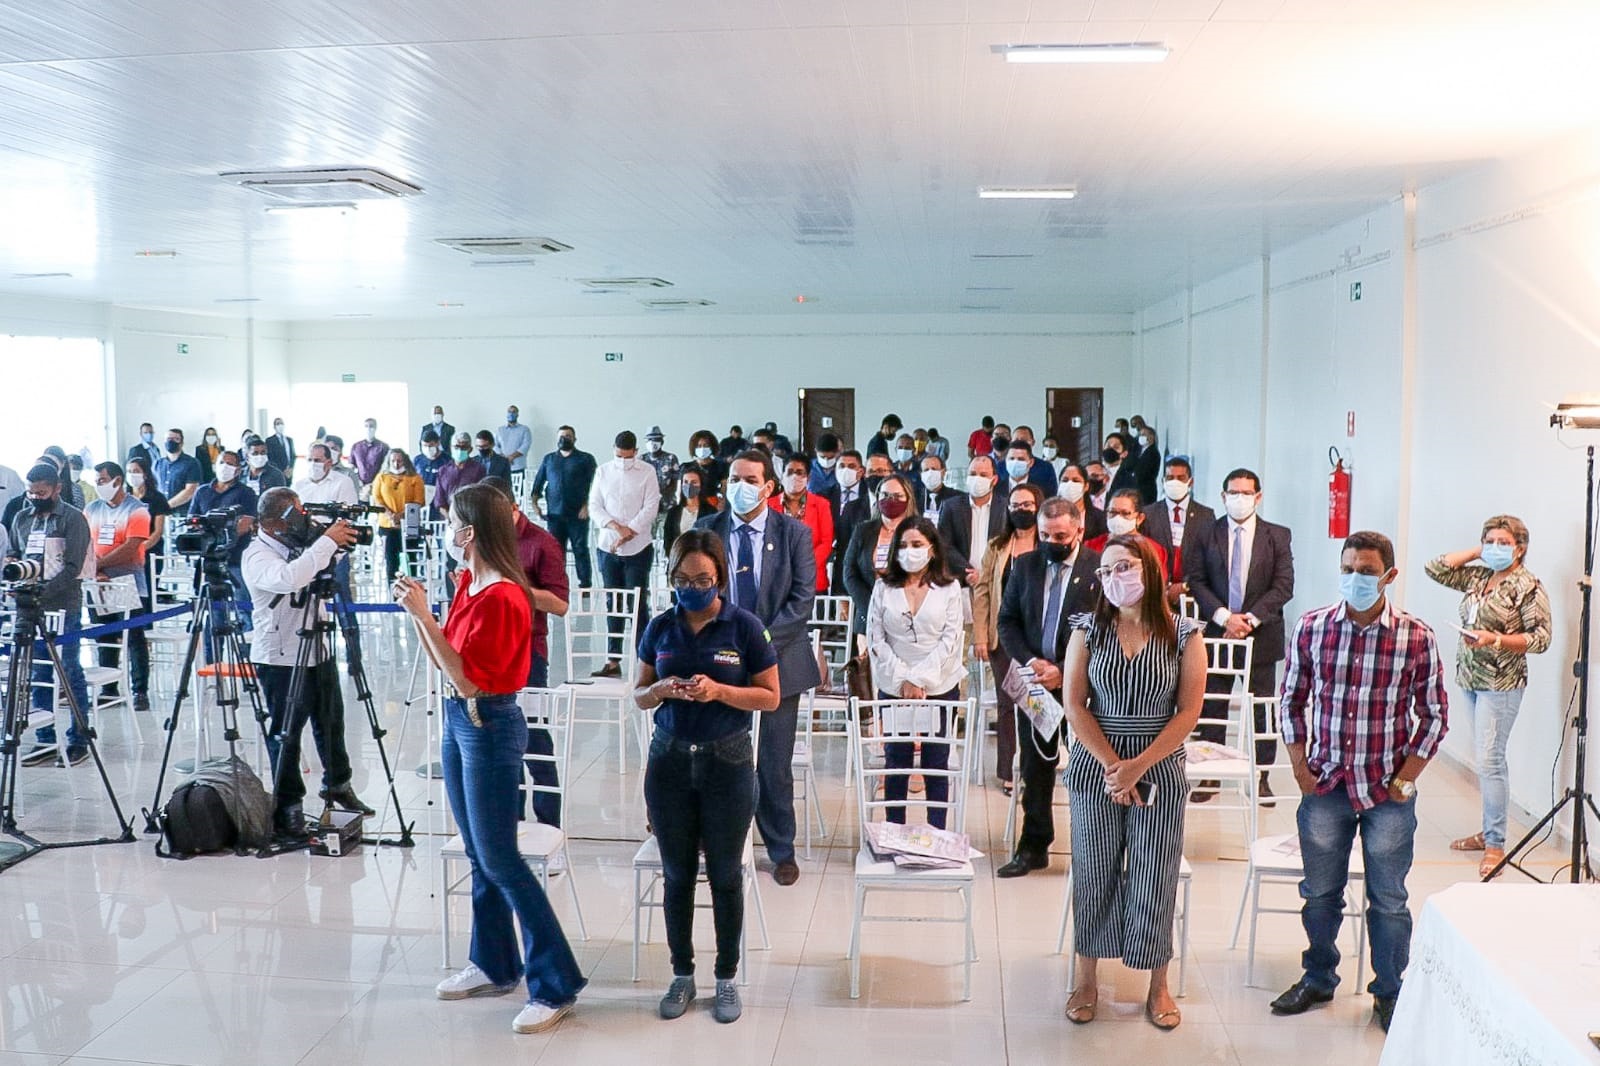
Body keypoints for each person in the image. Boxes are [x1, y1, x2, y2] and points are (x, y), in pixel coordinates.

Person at [394, 483, 586, 1034]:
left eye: (453, 521)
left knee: (502, 858)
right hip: (459, 723)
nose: (448, 530)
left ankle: (555, 982)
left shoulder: (504, 596)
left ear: (471, 531)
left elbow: (469, 679)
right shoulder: (469, 582)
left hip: (488, 723)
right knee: (480, 852)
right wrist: (421, 618)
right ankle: (494, 962)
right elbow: (443, 663)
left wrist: (423, 617)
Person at [1270, 531, 1448, 1034]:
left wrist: (1406, 779)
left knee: (1389, 900)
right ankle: (1318, 976)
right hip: (1324, 785)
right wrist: (1299, 766)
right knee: (1320, 893)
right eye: (1348, 568)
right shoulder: (1312, 627)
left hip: (1386, 791)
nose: (1356, 579)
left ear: (1389, 576)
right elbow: (1291, 699)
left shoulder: (1416, 636)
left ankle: (1390, 992)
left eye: (1367, 571)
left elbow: (1434, 715)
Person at [633, 531, 781, 1023]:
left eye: (702, 580)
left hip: (728, 762)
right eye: (682, 579)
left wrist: (719, 692)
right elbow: (637, 693)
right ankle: (681, 974)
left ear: (719, 578)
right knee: (676, 875)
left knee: (723, 875)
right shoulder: (659, 626)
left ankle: (725, 976)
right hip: (670, 760)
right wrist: (660, 689)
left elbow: (770, 696)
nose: (692, 588)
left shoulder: (744, 627)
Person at [1060, 535, 1206, 1030]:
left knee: (1155, 872)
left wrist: (1139, 765)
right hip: (1096, 764)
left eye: (1123, 566)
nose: (1113, 578)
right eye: (1105, 571)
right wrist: (1113, 766)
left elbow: (1188, 711)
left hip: (1158, 766)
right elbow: (1075, 704)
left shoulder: (1184, 634)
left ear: (1148, 569)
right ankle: (1086, 978)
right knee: (1094, 869)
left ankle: (1157, 983)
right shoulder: (1088, 628)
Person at [696, 452, 820, 886]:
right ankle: (721, 842)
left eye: (750, 479)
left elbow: (802, 599)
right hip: (720, 662)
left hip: (779, 662)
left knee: (772, 762)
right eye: (734, 478)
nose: (740, 485)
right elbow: (694, 591)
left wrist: (758, 645)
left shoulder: (793, 534)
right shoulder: (706, 530)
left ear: (769, 487)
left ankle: (781, 849)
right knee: (721, 758)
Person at [1424, 516, 1550, 877]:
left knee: (1491, 761)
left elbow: (1541, 638)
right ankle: (1487, 830)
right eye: (1489, 541)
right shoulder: (1480, 576)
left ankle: (1495, 843)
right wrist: (1481, 551)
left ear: (1520, 547)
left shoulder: (1527, 586)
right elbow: (1435, 568)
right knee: (1484, 758)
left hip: (1501, 682)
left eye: (1503, 542)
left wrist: (1494, 639)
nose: (1495, 547)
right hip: (1471, 676)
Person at [242, 487, 370, 830]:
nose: (305, 519)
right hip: (281, 656)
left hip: (317, 646)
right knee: (286, 731)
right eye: (298, 513)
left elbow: (321, 564)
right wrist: (325, 542)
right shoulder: (257, 554)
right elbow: (289, 578)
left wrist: (336, 543)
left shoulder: (297, 544)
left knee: (331, 720)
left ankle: (338, 785)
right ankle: (289, 803)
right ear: (275, 523)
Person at [995, 497, 1102, 877]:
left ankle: (1093, 847)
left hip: (1086, 688)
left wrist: (1063, 669)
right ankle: (1034, 844)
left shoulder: (1097, 570)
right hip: (1035, 684)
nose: (1052, 541)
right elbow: (1006, 621)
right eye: (1045, 535)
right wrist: (1030, 662)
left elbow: (1104, 632)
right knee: (1036, 765)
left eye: (1060, 535)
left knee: (1089, 765)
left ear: (1078, 530)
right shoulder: (1024, 566)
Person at [1183, 468, 1295, 800]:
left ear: (1258, 497)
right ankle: (1210, 775)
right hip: (1217, 634)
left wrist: (1249, 619)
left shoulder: (1277, 535)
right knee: (1212, 707)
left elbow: (1283, 586)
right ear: (1223, 496)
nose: (1240, 499)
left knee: (1261, 708)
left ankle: (1260, 775)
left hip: (1260, 636)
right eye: (1234, 492)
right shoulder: (1205, 533)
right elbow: (1197, 581)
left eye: (1247, 493)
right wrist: (1224, 618)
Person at [866, 516, 967, 826]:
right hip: (894, 683)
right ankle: (893, 829)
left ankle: (936, 833)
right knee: (897, 759)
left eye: (918, 545)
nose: (910, 551)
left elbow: (951, 639)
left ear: (933, 549)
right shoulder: (883, 586)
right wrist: (904, 679)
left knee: (935, 760)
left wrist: (920, 680)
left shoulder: (949, 588)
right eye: (904, 545)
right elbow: (876, 637)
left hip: (939, 684)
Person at [483, 476, 570, 826]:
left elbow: (560, 604)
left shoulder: (542, 543)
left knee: (533, 739)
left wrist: (513, 589)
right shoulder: (487, 539)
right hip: (493, 650)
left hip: (529, 652)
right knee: (502, 745)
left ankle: (550, 828)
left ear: (511, 506)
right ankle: (511, 826)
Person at [11, 463, 93, 765]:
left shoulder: (72, 519)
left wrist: (42, 591)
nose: (35, 497)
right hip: (28, 608)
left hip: (64, 604)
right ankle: (45, 739)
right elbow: (19, 556)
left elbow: (73, 569)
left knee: (70, 671)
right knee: (38, 673)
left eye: (41, 492)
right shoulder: (22, 517)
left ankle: (79, 738)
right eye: (30, 492)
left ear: (57, 489)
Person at [972, 483, 1045, 794]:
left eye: (1028, 504)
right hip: (1002, 637)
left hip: (1038, 640)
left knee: (1037, 705)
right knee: (1007, 705)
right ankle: (1007, 771)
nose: (1021, 510)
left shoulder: (1047, 543)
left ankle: (1036, 767)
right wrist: (979, 635)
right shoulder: (997, 545)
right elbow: (983, 590)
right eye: (1015, 505)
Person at [589, 430, 660, 676]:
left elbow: (652, 506)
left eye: (627, 457)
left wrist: (631, 530)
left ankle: (645, 660)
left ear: (636, 452)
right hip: (608, 546)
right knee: (613, 603)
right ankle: (613, 659)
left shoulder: (647, 472)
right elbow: (595, 505)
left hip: (638, 546)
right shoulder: (603, 471)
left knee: (637, 604)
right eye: (619, 456)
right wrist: (617, 528)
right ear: (613, 450)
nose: (623, 461)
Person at [86, 462, 153, 715]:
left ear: (118, 480)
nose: (99, 485)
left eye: (103, 480)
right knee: (104, 634)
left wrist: (99, 564)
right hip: (99, 582)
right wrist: (96, 569)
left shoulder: (137, 510)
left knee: (134, 638)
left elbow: (131, 546)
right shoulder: (92, 509)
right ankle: (109, 688)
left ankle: (140, 691)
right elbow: (85, 542)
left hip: (129, 582)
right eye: (97, 480)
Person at [293, 443, 364, 665]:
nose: (314, 464)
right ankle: (310, 657)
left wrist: (334, 547)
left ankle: (354, 658)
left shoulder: (342, 483)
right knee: (305, 604)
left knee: (343, 602)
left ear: (329, 461)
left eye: (318, 460)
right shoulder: (299, 485)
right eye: (310, 460)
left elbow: (348, 519)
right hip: (306, 552)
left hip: (336, 553)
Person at [843, 473, 919, 637]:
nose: (891, 500)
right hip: (867, 617)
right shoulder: (862, 531)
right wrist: (871, 607)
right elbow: (849, 573)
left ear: (908, 499)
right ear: (877, 498)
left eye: (897, 496)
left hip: (908, 619)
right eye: (885, 495)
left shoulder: (920, 532)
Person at [1141, 456, 1213, 607]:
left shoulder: (1205, 515)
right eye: (1170, 478)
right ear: (1163, 482)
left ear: (1190, 482)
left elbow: (1209, 557)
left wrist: (1186, 585)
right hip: (1155, 595)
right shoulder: (1148, 514)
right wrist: (1164, 586)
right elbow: (1144, 553)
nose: (1175, 482)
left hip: (1193, 596)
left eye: (1180, 478)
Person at [530, 425, 597, 589]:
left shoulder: (585, 459)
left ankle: (585, 584)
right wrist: (535, 504)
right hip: (555, 515)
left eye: (567, 436)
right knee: (555, 552)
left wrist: (587, 506)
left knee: (580, 549)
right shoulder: (549, 459)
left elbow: (596, 485)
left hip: (578, 514)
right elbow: (538, 484)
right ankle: (558, 583)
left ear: (574, 439)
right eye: (561, 436)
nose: (564, 439)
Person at [937, 455, 1006, 583]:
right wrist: (967, 571)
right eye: (973, 474)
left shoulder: (1005, 508)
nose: (977, 479)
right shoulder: (951, 506)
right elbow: (944, 543)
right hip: (962, 580)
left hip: (996, 580)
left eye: (983, 475)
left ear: (994, 480)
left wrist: (989, 573)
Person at [771, 455, 833, 593]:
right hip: (775, 580)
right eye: (790, 472)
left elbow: (826, 542)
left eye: (799, 473)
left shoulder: (822, 505)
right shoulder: (768, 506)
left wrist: (802, 565)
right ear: (782, 476)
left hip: (812, 580)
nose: (794, 476)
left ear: (808, 478)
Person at [1085, 489, 1168, 574]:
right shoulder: (1090, 547)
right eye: (1112, 512)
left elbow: (1157, 585)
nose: (1117, 518)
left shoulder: (1153, 551)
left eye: (1125, 513)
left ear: (1140, 518)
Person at [373, 448, 426, 580]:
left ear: (405, 461)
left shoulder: (415, 478)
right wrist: (390, 514)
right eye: (393, 461)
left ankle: (412, 589)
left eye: (399, 461)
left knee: (411, 560)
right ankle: (393, 591)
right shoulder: (381, 478)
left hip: (409, 524)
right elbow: (377, 499)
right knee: (391, 561)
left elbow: (419, 501)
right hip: (387, 525)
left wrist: (401, 515)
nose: (396, 464)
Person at [663, 466, 717, 560]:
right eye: (686, 482)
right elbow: (668, 540)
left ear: (701, 485)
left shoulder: (711, 512)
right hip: (678, 561)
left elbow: (714, 541)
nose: (689, 486)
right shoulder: (673, 512)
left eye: (694, 482)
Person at [154, 428, 201, 513]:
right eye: (168, 439)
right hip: (160, 513)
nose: (171, 441)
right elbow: (153, 486)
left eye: (176, 439)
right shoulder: (158, 464)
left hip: (183, 513)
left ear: (181, 443)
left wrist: (166, 506)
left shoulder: (192, 463)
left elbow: (190, 491)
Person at [438, 433, 486, 513]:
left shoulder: (479, 469)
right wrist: (451, 519)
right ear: (451, 448)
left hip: (471, 515)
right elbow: (439, 500)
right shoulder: (443, 471)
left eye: (464, 447)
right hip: (447, 517)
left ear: (470, 449)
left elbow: (481, 497)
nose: (459, 450)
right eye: (456, 447)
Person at [1058, 463, 1108, 540]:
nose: (1069, 484)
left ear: (1086, 486)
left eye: (1076, 480)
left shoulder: (1100, 518)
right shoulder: (1049, 515)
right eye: (1065, 480)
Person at [641, 425, 681, 511]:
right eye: (649, 440)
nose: (652, 443)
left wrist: (662, 494)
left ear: (661, 442)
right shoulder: (641, 459)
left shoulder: (671, 458)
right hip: (646, 505)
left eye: (655, 440)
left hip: (667, 503)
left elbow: (675, 481)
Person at [496, 405, 533, 495]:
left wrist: (511, 457)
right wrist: (504, 458)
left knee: (519, 494)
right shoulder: (500, 430)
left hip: (518, 466)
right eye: (509, 411)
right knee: (503, 493)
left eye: (514, 412)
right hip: (502, 466)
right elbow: (495, 446)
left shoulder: (524, 429)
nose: (511, 414)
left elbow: (526, 445)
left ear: (517, 414)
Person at [350, 418, 389, 487]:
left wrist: (375, 483)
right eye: (366, 426)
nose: (368, 428)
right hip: (360, 485)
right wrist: (357, 481)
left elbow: (386, 468)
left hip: (378, 485)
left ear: (376, 428)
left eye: (371, 426)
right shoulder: (356, 447)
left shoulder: (383, 447)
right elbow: (352, 466)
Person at [1132, 425, 1162, 504]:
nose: (1140, 437)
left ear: (1151, 437)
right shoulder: (1140, 451)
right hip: (1139, 489)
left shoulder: (1152, 453)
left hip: (1146, 491)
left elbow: (1144, 472)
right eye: (1140, 435)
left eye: (1143, 435)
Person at [807, 432, 842, 498]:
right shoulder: (807, 468)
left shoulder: (843, 470)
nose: (826, 460)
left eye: (830, 457)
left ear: (837, 453)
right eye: (822, 457)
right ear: (816, 451)